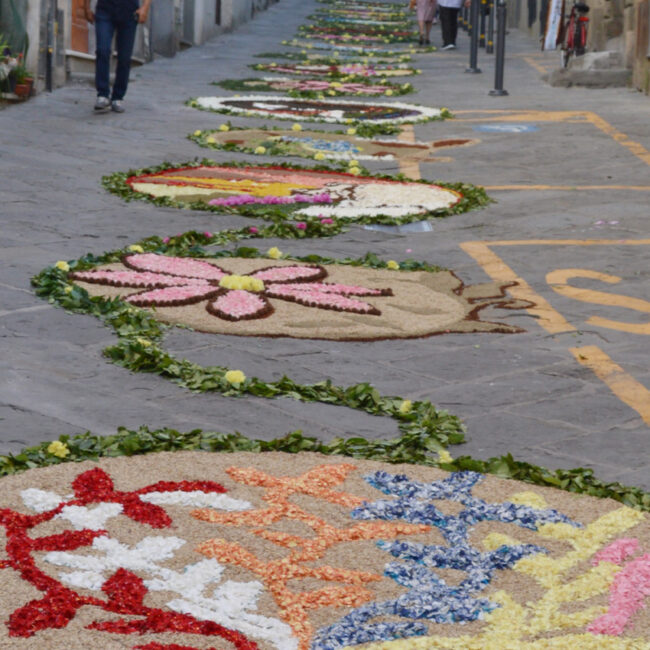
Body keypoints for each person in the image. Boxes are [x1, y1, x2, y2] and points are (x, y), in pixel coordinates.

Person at [84, 0, 151, 112]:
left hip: (129, 11)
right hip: (105, 9)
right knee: (102, 50)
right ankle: (103, 95)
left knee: (124, 57)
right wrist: (86, 8)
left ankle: (118, 97)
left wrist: (145, 7)